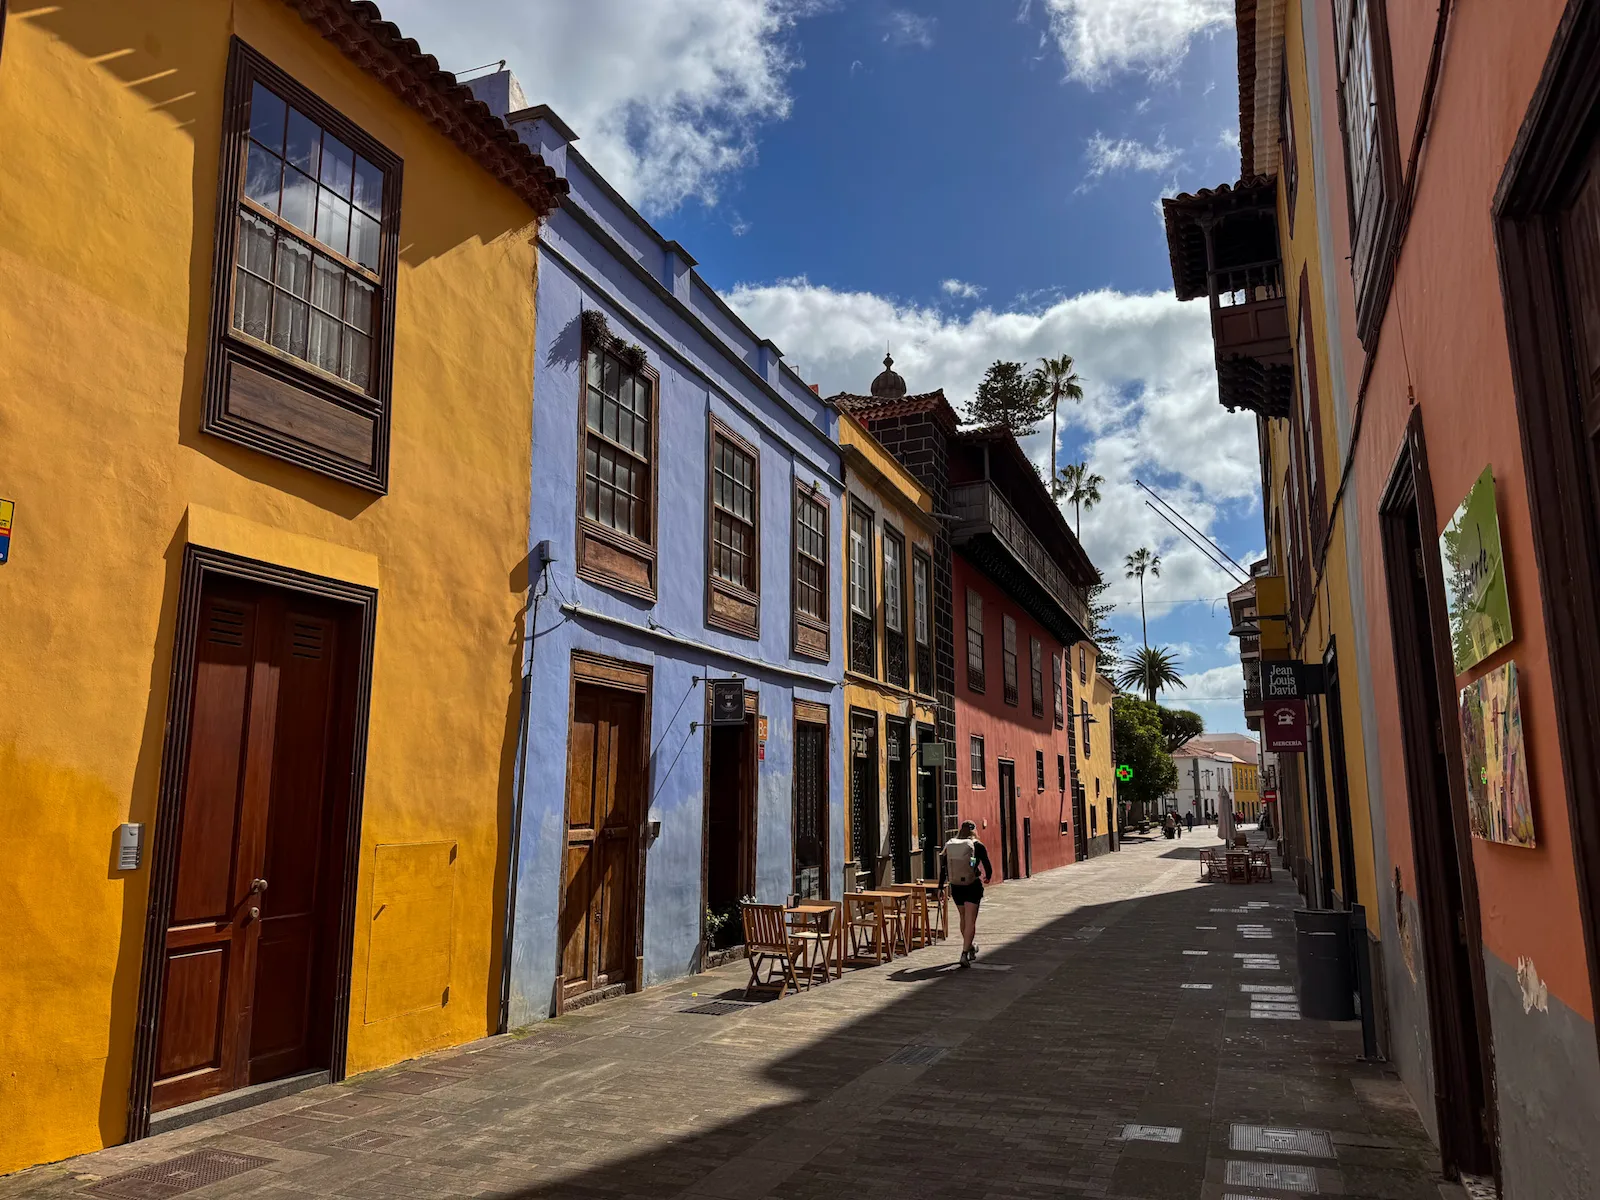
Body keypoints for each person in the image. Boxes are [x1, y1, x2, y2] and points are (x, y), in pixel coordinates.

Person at [941, 820, 994, 967]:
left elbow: (944, 866)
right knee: (971, 921)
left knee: (963, 918)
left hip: (956, 886)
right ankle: (965, 953)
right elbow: (987, 865)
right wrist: (987, 876)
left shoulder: (951, 845)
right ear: (974, 831)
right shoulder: (977, 845)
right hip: (972, 885)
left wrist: (940, 886)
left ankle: (969, 946)